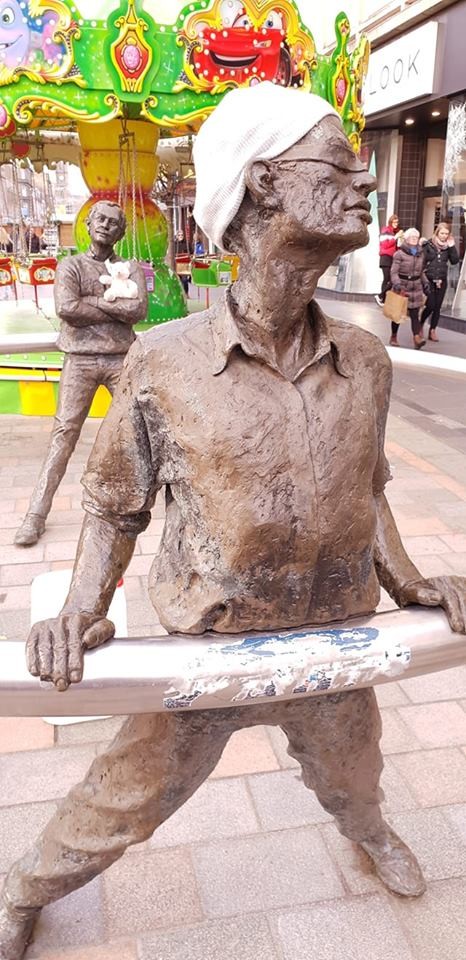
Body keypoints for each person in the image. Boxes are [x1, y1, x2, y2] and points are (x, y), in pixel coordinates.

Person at [2, 83, 466, 960]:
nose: (362, 181)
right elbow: (113, 505)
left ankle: (367, 834)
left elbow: (369, 489)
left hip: (334, 642)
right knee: (120, 803)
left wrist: (409, 581)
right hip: (206, 655)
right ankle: (24, 886)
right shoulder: (164, 363)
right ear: (262, 185)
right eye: (337, 163)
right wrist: (78, 608)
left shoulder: (364, 359)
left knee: (355, 776)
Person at [14, 200, 148, 547]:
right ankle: (35, 514)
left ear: (121, 232)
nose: (105, 225)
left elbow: (138, 310)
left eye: (113, 222)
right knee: (63, 435)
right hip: (80, 360)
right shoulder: (70, 266)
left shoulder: (130, 268)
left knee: (140, 428)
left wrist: (96, 305)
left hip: (121, 359)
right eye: (99, 219)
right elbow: (67, 308)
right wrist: (110, 305)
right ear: (88, 224)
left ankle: (147, 500)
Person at [390, 227, 430, 349]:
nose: (415, 239)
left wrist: (425, 283)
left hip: (416, 287)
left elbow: (421, 272)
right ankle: (394, 336)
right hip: (402, 287)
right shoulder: (399, 254)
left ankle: (417, 338)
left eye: (416, 238)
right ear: (406, 239)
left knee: (414, 315)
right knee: (398, 314)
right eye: (412, 237)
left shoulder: (420, 254)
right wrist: (396, 283)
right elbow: (394, 272)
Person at [421, 222, 459, 341]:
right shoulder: (428, 244)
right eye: (442, 233)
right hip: (429, 279)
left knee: (437, 306)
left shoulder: (449, 246)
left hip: (441, 279)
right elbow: (422, 260)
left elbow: (454, 261)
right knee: (430, 305)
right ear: (437, 232)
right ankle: (421, 323)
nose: (444, 236)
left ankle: (432, 330)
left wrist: (452, 247)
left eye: (446, 234)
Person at [374, 213, 402, 306]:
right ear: (390, 222)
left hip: (392, 258)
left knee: (388, 279)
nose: (396, 224)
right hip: (385, 257)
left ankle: (383, 298)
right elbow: (385, 245)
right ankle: (381, 297)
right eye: (394, 222)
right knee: (388, 278)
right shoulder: (386, 230)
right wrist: (396, 237)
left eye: (397, 222)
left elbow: (396, 246)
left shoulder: (395, 232)